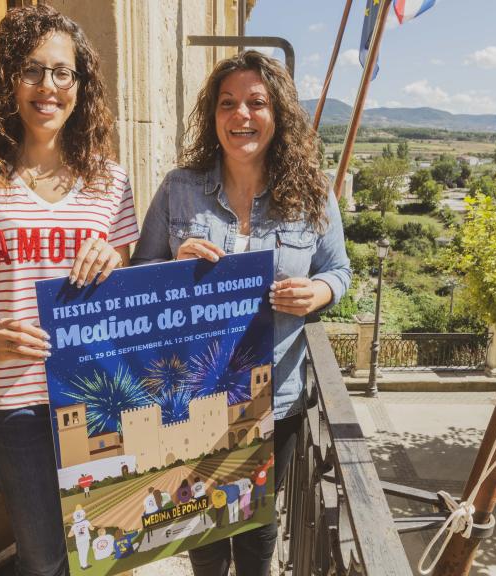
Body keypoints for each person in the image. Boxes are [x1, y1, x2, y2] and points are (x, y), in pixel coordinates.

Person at [0, 6, 138, 576]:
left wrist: (112, 255)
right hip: (10, 401)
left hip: (98, 390)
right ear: (7, 80)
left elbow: (124, 278)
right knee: (43, 559)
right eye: (32, 70)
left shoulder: (110, 179)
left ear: (80, 84)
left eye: (63, 73)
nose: (49, 87)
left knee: (107, 547)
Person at [132, 50, 351, 576]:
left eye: (257, 102)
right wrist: (174, 270)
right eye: (228, 103)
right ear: (213, 116)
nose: (242, 115)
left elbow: (339, 269)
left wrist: (317, 293)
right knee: (200, 530)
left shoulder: (313, 192)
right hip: (193, 399)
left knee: (257, 530)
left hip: (275, 399)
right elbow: (138, 276)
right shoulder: (178, 189)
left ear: (278, 116)